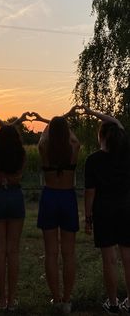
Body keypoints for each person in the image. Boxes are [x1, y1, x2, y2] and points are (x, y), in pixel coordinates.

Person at [84, 106, 130, 315]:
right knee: (128, 257)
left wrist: (88, 218)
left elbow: (90, 193)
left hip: (104, 212)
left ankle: (113, 304)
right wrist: (92, 112)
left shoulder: (93, 160)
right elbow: (116, 122)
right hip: (127, 209)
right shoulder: (126, 152)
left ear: (101, 136)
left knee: (109, 259)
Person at [35, 106, 80, 314]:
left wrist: (50, 124)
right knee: (69, 254)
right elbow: (74, 140)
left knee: (51, 253)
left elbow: (43, 140)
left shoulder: (45, 150)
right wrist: (65, 121)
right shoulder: (73, 149)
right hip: (68, 198)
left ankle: (56, 298)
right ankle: (67, 300)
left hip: (50, 197)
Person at [0, 107, 26, 311]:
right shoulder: (21, 153)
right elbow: (17, 176)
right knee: (13, 250)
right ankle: (12, 300)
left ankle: (1, 300)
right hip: (16, 196)